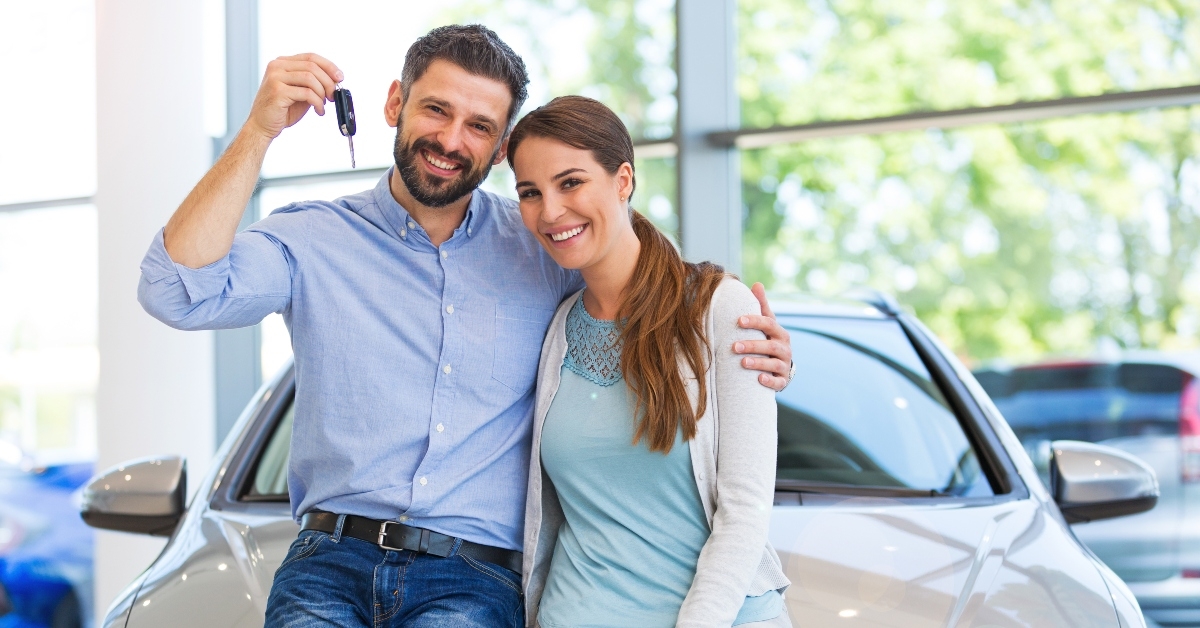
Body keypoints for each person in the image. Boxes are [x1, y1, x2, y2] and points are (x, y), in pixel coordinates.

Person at [138, 25, 793, 628]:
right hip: (329, 560)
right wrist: (258, 131)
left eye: (479, 125)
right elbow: (175, 292)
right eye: (436, 110)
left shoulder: (543, 245)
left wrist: (750, 350)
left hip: (472, 577)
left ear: (501, 146)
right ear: (395, 103)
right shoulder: (312, 238)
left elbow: (649, 296)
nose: (452, 141)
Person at [510, 96, 792, 628]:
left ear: (623, 180)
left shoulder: (718, 308)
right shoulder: (557, 327)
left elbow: (745, 513)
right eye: (530, 192)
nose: (549, 211)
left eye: (571, 183)